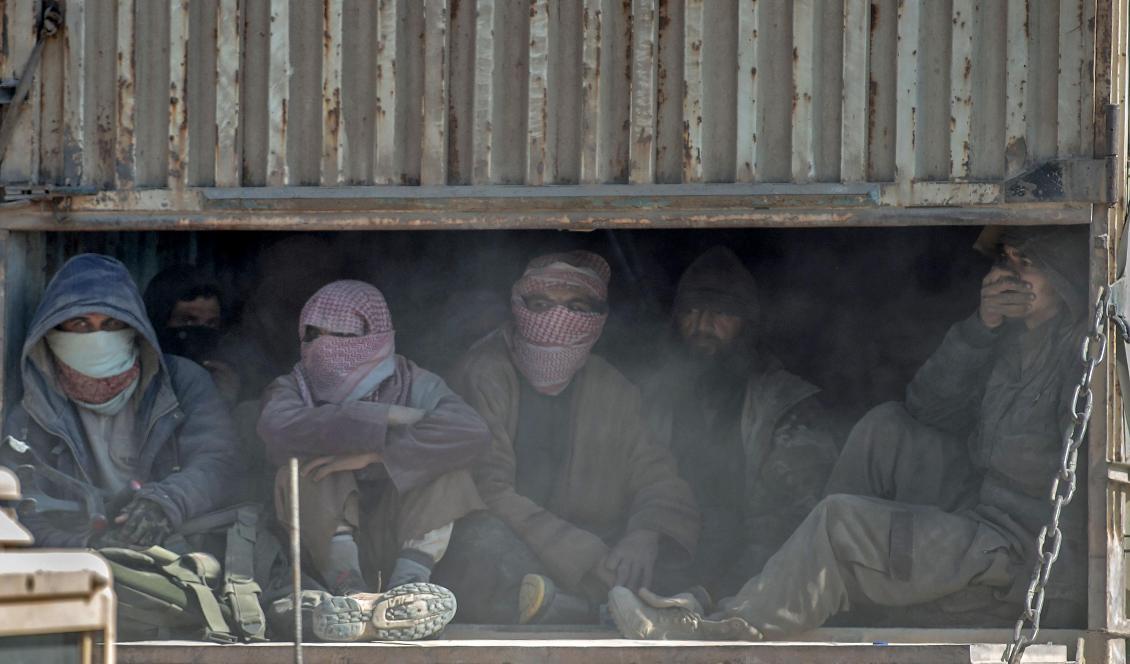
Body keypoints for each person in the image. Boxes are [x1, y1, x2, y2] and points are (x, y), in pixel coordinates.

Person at [609, 225, 1090, 639]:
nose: (1008, 275)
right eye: (1004, 261)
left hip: (1020, 556)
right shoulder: (1011, 344)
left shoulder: (1085, 354)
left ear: (1063, 276)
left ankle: (728, 628)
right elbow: (928, 408)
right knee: (886, 426)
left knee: (839, 520)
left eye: (1025, 263)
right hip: (982, 515)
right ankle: (796, 590)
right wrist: (981, 327)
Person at [439, 251, 699, 624]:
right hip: (519, 539)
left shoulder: (613, 387)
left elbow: (657, 475)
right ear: (519, 307)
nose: (557, 319)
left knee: (668, 562)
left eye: (576, 306)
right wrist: (586, 557)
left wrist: (645, 535)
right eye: (543, 305)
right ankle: (593, 610)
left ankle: (579, 605)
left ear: (597, 319)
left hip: (594, 545)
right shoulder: (484, 372)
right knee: (479, 545)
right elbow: (486, 490)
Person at [256, 280, 490, 642]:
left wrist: (377, 454)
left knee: (446, 464)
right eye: (311, 335)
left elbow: (470, 433)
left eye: (338, 335)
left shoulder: (415, 382)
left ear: (374, 337)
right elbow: (278, 429)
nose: (321, 346)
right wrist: (384, 417)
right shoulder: (294, 386)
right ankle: (352, 597)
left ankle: (408, 593)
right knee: (306, 465)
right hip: (324, 551)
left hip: (399, 538)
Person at [0, 254, 241, 549]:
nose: (99, 338)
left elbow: (218, 461)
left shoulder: (184, 381)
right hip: (77, 564)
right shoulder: (33, 407)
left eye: (112, 323)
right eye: (81, 324)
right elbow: (21, 509)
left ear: (134, 327)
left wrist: (163, 505)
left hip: (178, 549)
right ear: (53, 331)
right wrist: (91, 545)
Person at [641, 247, 839, 601]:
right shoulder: (649, 400)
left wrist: (713, 596)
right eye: (691, 311)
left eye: (721, 313)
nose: (702, 326)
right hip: (665, 565)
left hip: (754, 582)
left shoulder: (787, 405)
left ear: (746, 325)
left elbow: (793, 525)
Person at [143, 264, 241, 403]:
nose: (201, 333)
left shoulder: (222, 379)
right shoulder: (132, 382)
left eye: (211, 323)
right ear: (160, 321)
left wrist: (224, 402)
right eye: (188, 321)